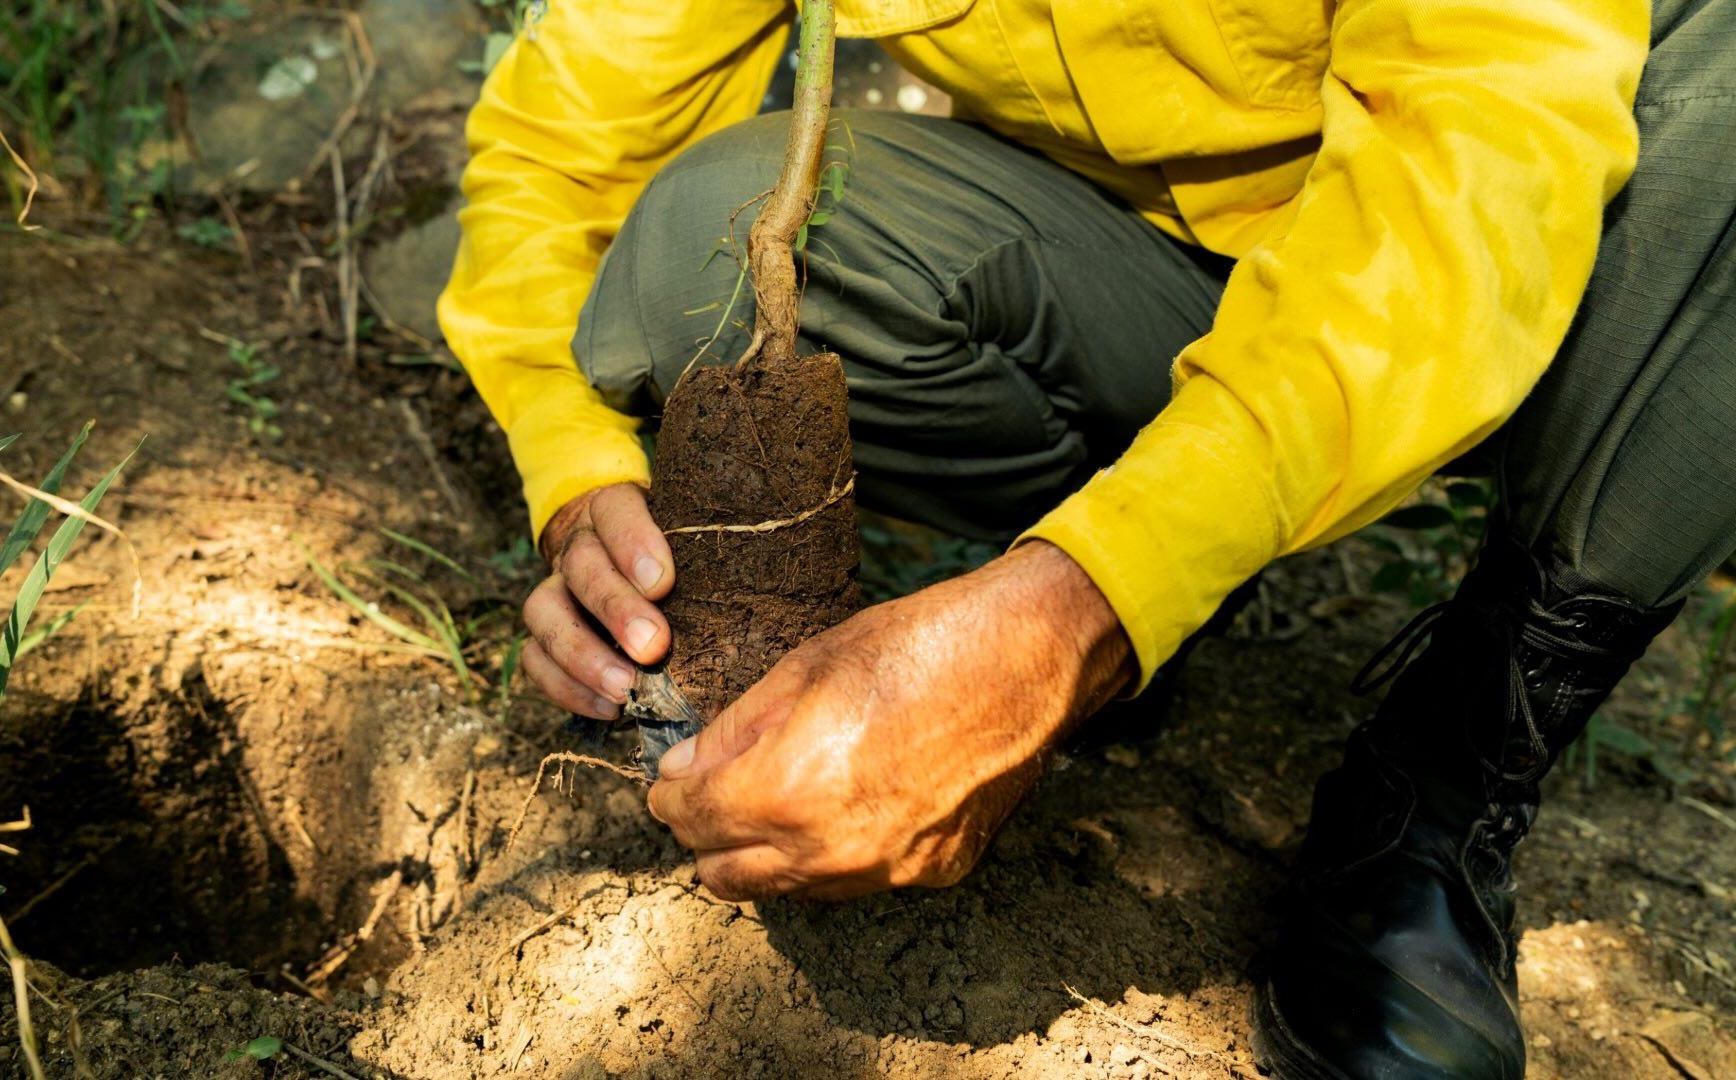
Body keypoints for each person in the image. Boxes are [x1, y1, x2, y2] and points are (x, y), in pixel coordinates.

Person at [440, 1, 1735, 1076]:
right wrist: (578, 474)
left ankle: (1450, 772)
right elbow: (565, 148)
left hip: (1547, 269)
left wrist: (1084, 610)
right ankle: (1145, 562)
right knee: (697, 234)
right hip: (1150, 278)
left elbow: (1481, 179)